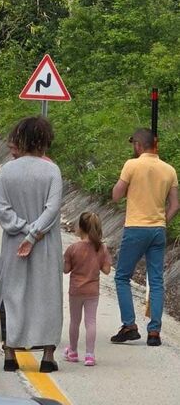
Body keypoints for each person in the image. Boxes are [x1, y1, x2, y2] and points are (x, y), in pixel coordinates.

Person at [0, 116, 63, 373]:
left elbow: (3, 211)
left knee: (11, 293)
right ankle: (47, 355)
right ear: (43, 141)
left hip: (13, 243)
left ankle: (10, 353)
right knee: (47, 294)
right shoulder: (52, 171)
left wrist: (23, 230)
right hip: (45, 245)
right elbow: (52, 209)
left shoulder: (6, 171)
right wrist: (34, 234)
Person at [111, 128, 178, 346]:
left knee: (122, 277)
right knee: (156, 280)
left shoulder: (132, 165)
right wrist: (162, 222)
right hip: (158, 230)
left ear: (139, 145)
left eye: (134, 145)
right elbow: (175, 205)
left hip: (135, 228)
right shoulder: (169, 170)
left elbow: (116, 195)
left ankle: (129, 324)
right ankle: (154, 332)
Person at [63, 212, 111, 367]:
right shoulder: (101, 248)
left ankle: (73, 351)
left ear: (80, 228)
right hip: (92, 291)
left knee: (74, 321)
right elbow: (107, 270)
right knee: (91, 322)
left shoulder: (73, 248)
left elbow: (66, 269)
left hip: (76, 290)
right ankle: (89, 355)